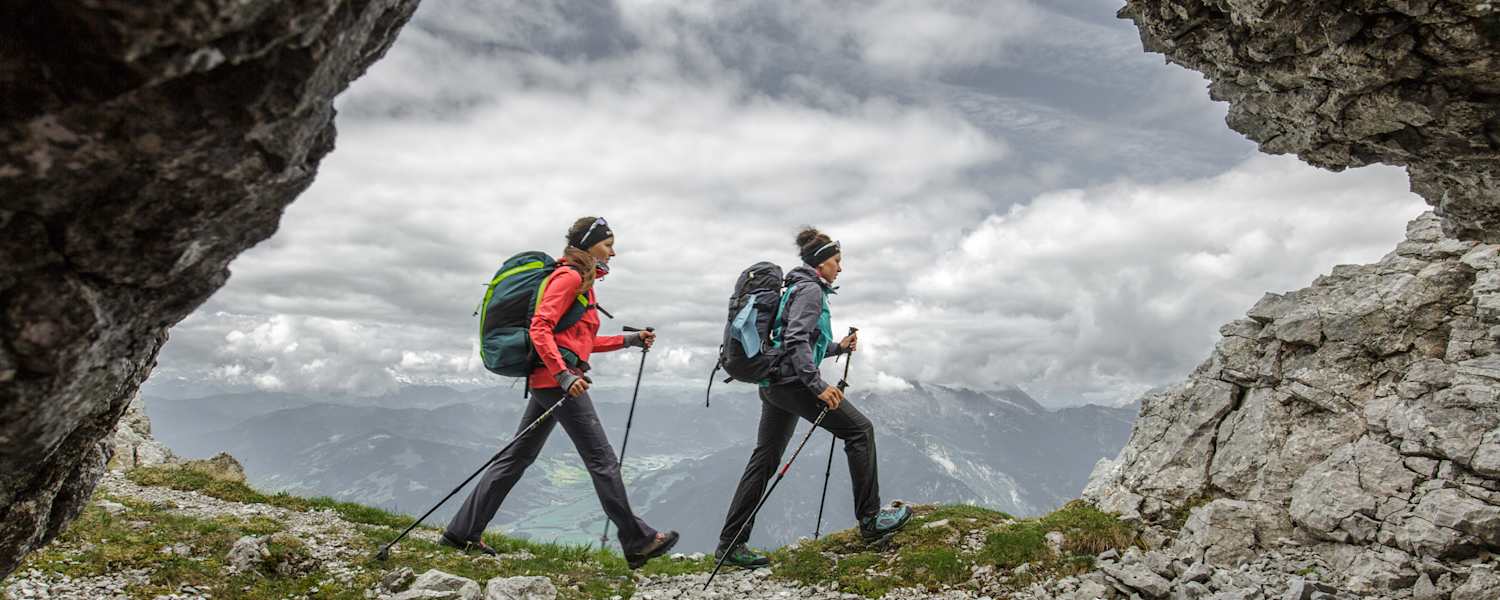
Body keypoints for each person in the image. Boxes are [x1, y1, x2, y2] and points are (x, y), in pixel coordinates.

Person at [442, 216, 679, 569]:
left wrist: (629, 340)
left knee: (516, 457)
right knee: (602, 460)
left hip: (551, 381)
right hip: (559, 383)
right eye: (608, 244)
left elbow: (580, 342)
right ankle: (638, 540)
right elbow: (540, 327)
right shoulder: (568, 277)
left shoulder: (583, 281)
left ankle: (461, 532)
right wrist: (563, 375)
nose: (613, 252)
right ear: (589, 245)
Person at [713, 227, 910, 569]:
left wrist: (837, 348)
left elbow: (797, 338)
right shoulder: (810, 291)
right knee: (860, 431)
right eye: (836, 261)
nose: (840, 268)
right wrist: (817, 385)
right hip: (795, 384)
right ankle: (870, 520)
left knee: (765, 459)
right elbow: (795, 340)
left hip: (774, 384)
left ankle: (730, 545)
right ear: (821, 264)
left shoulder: (795, 287)